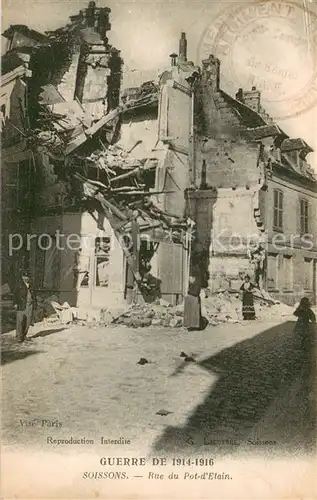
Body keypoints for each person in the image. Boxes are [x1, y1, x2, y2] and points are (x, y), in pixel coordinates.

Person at [13, 271, 37, 343]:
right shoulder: (19, 284)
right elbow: (15, 294)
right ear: (22, 277)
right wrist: (15, 303)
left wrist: (35, 305)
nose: (26, 278)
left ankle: (24, 335)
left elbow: (34, 296)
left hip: (29, 306)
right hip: (21, 304)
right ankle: (18, 336)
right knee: (20, 321)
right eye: (25, 277)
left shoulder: (31, 285)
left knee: (28, 321)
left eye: (27, 277)